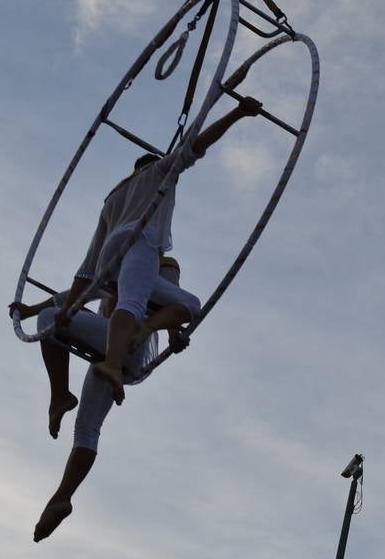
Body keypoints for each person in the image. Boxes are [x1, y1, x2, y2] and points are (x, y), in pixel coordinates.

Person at [56, 96, 261, 406]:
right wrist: (237, 113)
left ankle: (143, 329)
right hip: (138, 241)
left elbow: (87, 268)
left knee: (189, 304)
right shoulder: (159, 174)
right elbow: (196, 144)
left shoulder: (113, 199)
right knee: (134, 301)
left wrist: (69, 310)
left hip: (108, 265)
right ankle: (112, 362)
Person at [9, 256, 193, 541]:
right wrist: (30, 309)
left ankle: (60, 395)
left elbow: (174, 301)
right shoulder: (117, 252)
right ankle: (62, 497)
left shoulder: (157, 262)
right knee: (87, 428)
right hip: (109, 352)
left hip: (129, 346)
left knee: (50, 321)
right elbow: (78, 294)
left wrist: (173, 334)